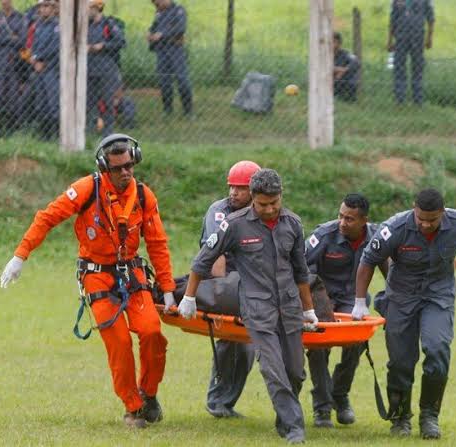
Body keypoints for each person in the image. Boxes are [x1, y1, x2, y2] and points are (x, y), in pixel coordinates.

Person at [0, 133, 177, 429]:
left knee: (152, 333)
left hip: (132, 275)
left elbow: (157, 243)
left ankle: (149, 394)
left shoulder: (144, 196)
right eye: (117, 168)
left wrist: (168, 288)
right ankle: (133, 409)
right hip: (96, 276)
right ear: (103, 168)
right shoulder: (86, 190)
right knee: (119, 342)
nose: (125, 173)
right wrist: (21, 255)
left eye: (129, 166)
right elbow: (47, 218)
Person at [178, 168, 319, 445]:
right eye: (263, 204)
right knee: (272, 367)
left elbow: (301, 272)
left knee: (295, 371)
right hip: (257, 308)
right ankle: (294, 428)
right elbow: (202, 262)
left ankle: (284, 419)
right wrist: (189, 297)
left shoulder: (293, 223)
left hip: (289, 307)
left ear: (281, 197)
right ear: (253, 198)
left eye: (274, 203)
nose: (269, 209)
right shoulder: (234, 224)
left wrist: (309, 309)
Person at [351, 188, 456, 439]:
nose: (425, 224)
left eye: (432, 220)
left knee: (437, 348)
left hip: (438, 296)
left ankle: (429, 415)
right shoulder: (395, 227)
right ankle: (400, 417)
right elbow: (368, 260)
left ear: (442, 213)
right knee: (400, 360)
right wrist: (359, 302)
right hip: (401, 297)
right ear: (414, 209)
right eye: (421, 218)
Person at [304, 193, 387, 428]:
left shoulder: (377, 237)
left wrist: (394, 304)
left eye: (349, 219)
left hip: (354, 299)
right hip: (322, 297)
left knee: (356, 341)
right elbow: (298, 265)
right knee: (319, 347)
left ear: (364, 221)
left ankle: (339, 394)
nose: (342, 222)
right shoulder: (324, 235)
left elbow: (389, 271)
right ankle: (321, 408)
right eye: (340, 216)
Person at [196, 160, 260, 419]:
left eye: (240, 188)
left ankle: (225, 403)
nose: (234, 192)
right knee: (232, 340)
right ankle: (217, 401)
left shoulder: (261, 210)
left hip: (249, 284)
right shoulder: (219, 211)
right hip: (223, 281)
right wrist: (225, 298)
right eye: (231, 187)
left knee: (246, 347)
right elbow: (216, 258)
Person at [0, 0, 26, 133]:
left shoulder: (21, 18)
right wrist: (10, 37)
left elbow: (22, 40)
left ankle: (12, 130)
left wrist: (1, 37)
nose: (4, 2)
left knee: (13, 99)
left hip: (14, 65)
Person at [147, 0, 192, 118]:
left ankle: (188, 111)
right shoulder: (159, 13)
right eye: (154, 3)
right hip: (161, 50)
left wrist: (162, 34)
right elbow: (154, 26)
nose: (156, 5)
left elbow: (180, 28)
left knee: (182, 80)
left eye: (157, 2)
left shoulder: (178, 10)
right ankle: (167, 110)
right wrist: (150, 33)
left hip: (176, 49)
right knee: (164, 81)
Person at [87, 0, 124, 137]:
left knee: (108, 102)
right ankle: (90, 131)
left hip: (106, 69)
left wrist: (103, 46)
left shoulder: (108, 24)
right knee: (89, 103)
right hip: (89, 69)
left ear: (97, 8)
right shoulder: (86, 25)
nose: (86, 11)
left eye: (89, 8)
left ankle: (108, 133)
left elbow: (120, 42)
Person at [387, 0, 434, 106]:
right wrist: (390, 40)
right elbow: (392, 19)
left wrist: (429, 37)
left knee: (417, 68)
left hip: (417, 38)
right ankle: (400, 100)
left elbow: (430, 18)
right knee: (399, 67)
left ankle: (418, 100)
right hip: (400, 38)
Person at [29, 0, 59, 139]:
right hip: (38, 68)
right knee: (40, 102)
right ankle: (44, 135)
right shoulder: (38, 25)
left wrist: (40, 59)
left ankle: (55, 135)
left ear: (53, 9)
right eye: (42, 6)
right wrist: (34, 59)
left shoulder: (57, 26)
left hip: (51, 68)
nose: (44, 9)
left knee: (52, 102)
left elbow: (55, 47)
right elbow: (34, 45)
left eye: (47, 6)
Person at [333, 32, 359, 102]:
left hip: (343, 79)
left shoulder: (345, 54)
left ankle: (348, 98)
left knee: (351, 78)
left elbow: (356, 61)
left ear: (339, 43)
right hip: (330, 79)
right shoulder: (325, 55)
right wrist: (336, 69)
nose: (332, 44)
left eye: (334, 42)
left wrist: (344, 70)